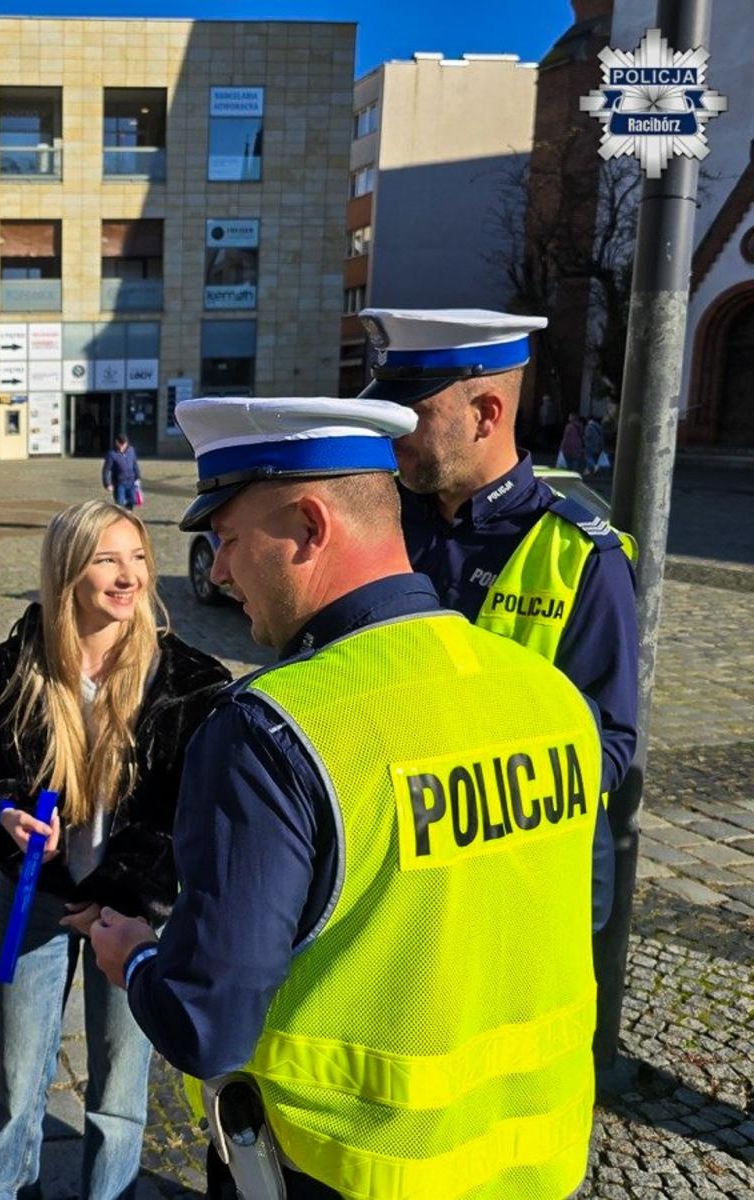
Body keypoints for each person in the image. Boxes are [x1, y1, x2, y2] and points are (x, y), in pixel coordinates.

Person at [89, 396, 615, 1200]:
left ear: (308, 524)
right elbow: (564, 909)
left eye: (227, 538)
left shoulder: (271, 732)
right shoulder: (550, 696)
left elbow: (209, 1022)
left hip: (345, 1174)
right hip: (536, 1165)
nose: (220, 572)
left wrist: (136, 959)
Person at [0, 499, 233, 1200]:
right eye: (107, 558)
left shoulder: (189, 681)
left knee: (120, 1083)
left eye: (137, 557)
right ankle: (7, 1190)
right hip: (36, 897)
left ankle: (111, 1192)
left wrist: (132, 890)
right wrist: (4, 813)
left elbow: (192, 813)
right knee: (17, 1075)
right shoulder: (18, 666)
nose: (127, 574)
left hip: (133, 910)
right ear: (68, 569)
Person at [356, 308, 638, 801]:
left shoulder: (578, 554)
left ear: (486, 414)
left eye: (413, 417)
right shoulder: (380, 519)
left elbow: (607, 747)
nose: (393, 437)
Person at [101, 434, 141, 510]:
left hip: (131, 481)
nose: (123, 447)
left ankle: (129, 515)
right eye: (121, 444)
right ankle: (120, 518)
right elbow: (106, 470)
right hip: (119, 483)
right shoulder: (112, 454)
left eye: (124, 444)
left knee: (133, 501)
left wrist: (138, 476)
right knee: (120, 503)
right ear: (117, 443)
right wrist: (107, 484)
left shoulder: (131, 450)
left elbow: (135, 464)